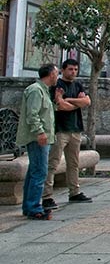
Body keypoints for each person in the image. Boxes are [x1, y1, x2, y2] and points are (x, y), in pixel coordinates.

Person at [42, 58, 93, 210]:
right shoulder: (56, 85)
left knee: (74, 163)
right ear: (63, 70)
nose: (73, 72)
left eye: (76, 70)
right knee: (53, 163)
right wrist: (76, 102)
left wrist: (68, 99)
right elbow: (61, 106)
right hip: (60, 129)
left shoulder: (78, 84)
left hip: (75, 128)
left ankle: (74, 191)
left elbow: (87, 102)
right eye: (70, 69)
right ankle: (47, 196)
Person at [15, 64, 58, 220]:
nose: (57, 77)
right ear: (50, 74)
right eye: (56, 73)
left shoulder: (44, 91)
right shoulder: (35, 90)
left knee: (34, 171)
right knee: (40, 171)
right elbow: (32, 115)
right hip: (38, 138)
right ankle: (34, 207)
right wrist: (40, 132)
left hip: (43, 136)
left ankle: (29, 206)